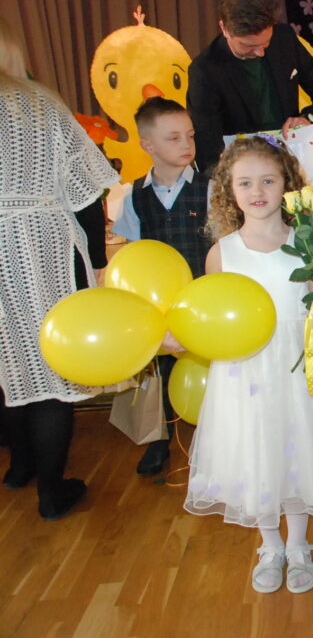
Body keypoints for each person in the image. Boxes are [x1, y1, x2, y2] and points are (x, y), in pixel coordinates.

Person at [178, 136, 313, 593]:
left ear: (287, 184)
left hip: (299, 369)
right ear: (229, 190)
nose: (257, 191)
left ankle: (297, 545)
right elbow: (212, 316)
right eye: (245, 182)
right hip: (245, 372)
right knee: (259, 453)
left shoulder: (306, 245)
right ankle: (269, 545)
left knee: (298, 452)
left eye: (268, 181)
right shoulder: (222, 252)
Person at [0, 18, 120, 519]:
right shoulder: (41, 105)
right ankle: (51, 492)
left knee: (9, 362)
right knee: (51, 366)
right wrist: (96, 262)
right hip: (44, 244)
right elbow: (88, 194)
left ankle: (19, 466)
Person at [112, 96, 211, 476]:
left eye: (190, 135)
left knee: (209, 365)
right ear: (148, 145)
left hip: (202, 294)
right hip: (158, 302)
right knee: (160, 369)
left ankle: (213, 438)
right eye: (173, 138)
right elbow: (132, 252)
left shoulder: (210, 188)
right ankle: (159, 438)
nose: (186, 144)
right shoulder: (133, 196)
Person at [187, 0, 313, 174]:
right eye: (248, 46)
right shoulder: (205, 70)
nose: (260, 52)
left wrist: (307, 119)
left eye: (266, 42)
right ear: (224, 29)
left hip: (292, 159)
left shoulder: (284, 39)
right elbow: (207, 145)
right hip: (243, 169)